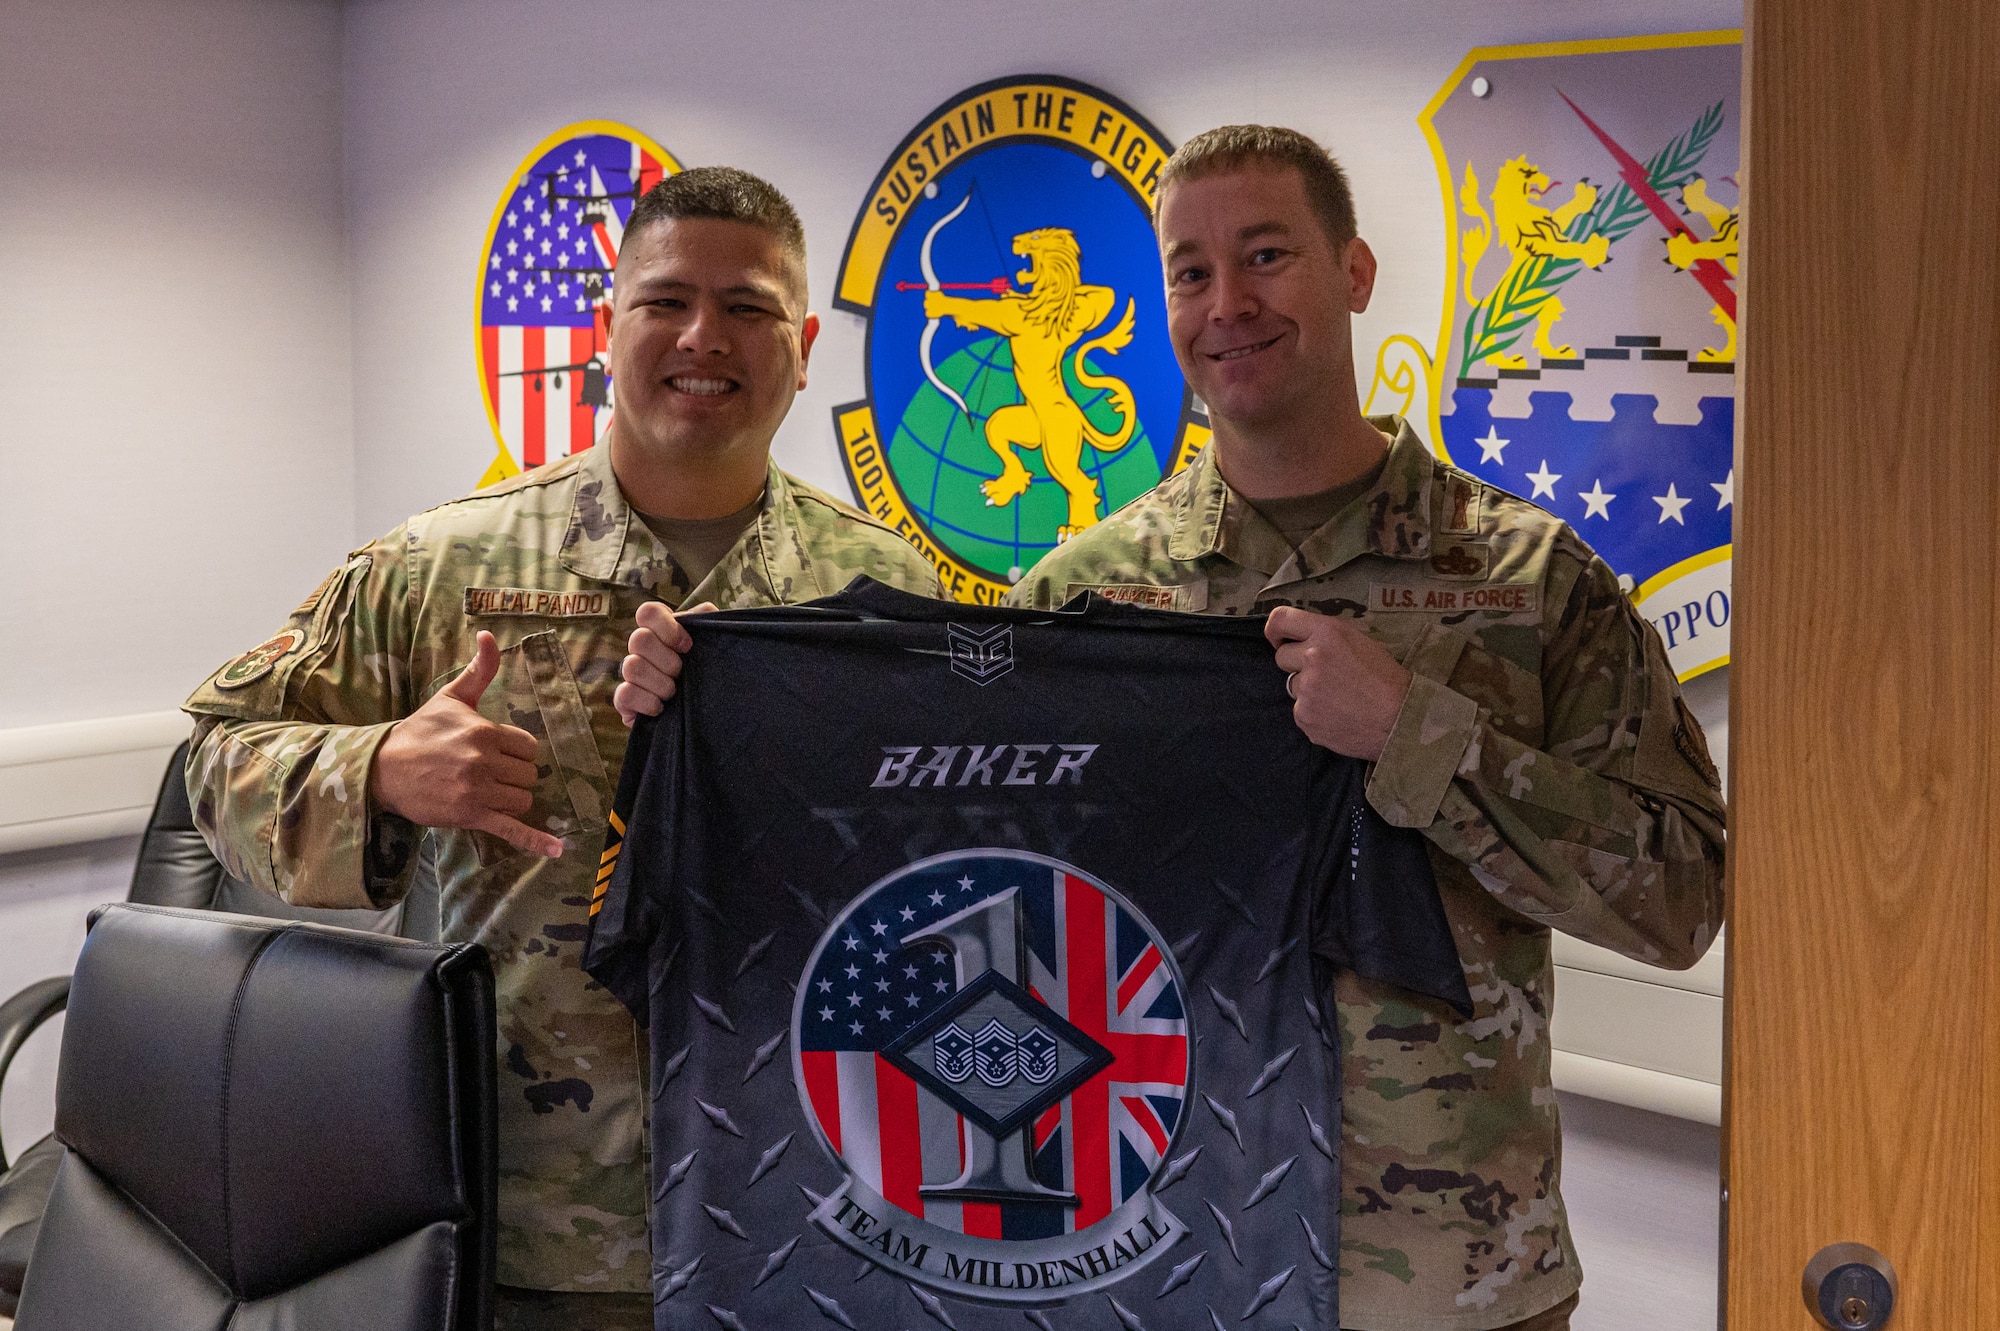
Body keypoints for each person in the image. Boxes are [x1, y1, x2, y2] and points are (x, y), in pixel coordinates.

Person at [183, 166, 943, 1331]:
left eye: (745, 308)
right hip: (521, 1218)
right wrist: (380, 771)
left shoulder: (881, 586)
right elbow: (218, 761)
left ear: (799, 344)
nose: (704, 336)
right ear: (605, 326)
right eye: (665, 301)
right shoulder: (447, 568)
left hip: (812, 1202)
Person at [1008, 127, 1728, 1330]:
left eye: (1266, 254)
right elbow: (993, 897)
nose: (1226, 303)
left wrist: (1416, 734)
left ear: (1352, 273)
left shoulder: (1530, 580)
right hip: (1158, 1263)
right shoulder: (1083, 594)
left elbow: (1679, 900)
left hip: (1451, 1277)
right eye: (1189, 271)